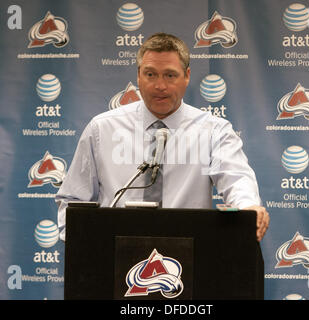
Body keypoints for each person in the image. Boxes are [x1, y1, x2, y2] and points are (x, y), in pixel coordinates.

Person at [56, 33, 269, 242]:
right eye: (150, 74)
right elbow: (73, 200)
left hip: (189, 255)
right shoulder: (102, 129)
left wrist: (247, 208)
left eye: (170, 75)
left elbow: (236, 178)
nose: (160, 86)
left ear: (187, 76)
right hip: (113, 255)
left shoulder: (214, 131)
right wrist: (83, 246)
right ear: (138, 75)